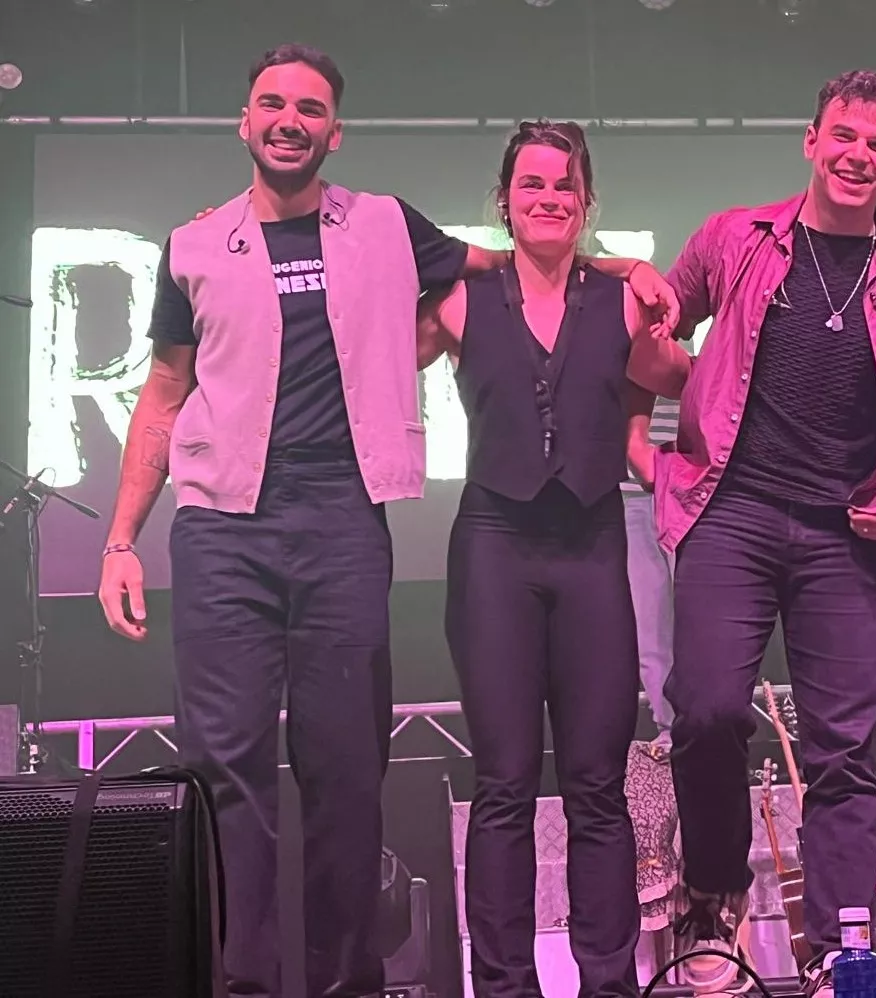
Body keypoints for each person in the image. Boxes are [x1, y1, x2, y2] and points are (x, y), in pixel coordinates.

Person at [93, 45, 675, 998]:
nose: (289, 119)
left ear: (334, 130)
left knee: (345, 769)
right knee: (224, 768)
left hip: (340, 521)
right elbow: (164, 392)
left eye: (310, 107)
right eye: (271, 104)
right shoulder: (194, 245)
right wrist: (120, 539)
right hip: (221, 527)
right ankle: (241, 983)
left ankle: (344, 983)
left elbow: (515, 256)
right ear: (244, 123)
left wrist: (623, 265)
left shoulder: (385, 225)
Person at [657, 69, 876, 995]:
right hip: (733, 512)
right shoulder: (735, 237)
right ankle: (713, 898)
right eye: (844, 136)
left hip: (846, 528)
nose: (857, 156)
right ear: (810, 139)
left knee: (843, 745)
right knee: (708, 710)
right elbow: (659, 329)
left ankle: (842, 938)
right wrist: (650, 416)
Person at [417, 119, 690, 998]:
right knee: (500, 782)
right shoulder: (458, 301)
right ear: (504, 201)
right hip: (494, 547)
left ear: (585, 203)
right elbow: (356, 343)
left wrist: (643, 290)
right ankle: (502, 986)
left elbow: (684, 377)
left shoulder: (621, 301)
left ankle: (607, 983)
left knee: (596, 786)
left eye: (563, 187)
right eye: (530, 185)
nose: (547, 200)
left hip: (591, 544)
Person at [624, 392, 682, 754]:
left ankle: (703, 725)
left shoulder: (693, 348)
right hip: (628, 497)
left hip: (686, 493)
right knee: (649, 626)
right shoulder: (617, 345)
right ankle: (668, 728)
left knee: (701, 622)